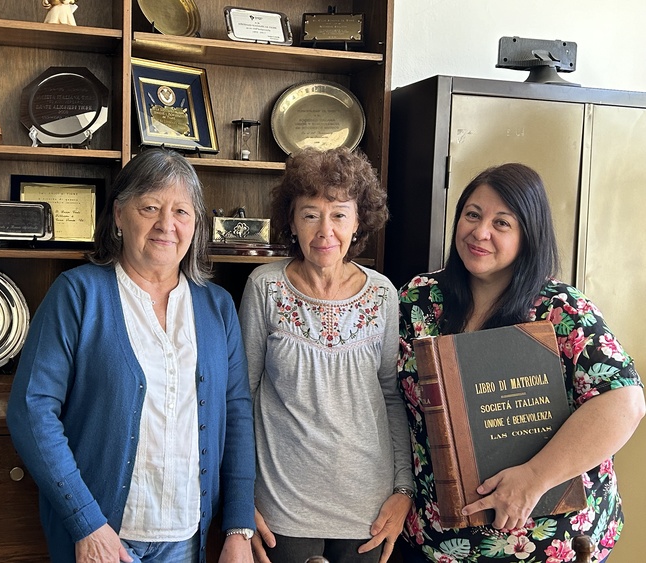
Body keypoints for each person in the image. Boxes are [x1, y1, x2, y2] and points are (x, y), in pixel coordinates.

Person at [6, 148, 256, 563]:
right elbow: (31, 410)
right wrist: (86, 523)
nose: (166, 224)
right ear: (120, 215)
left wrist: (238, 526)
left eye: (181, 211)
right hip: (104, 538)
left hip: (187, 536)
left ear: (196, 225)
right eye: (150, 207)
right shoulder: (78, 294)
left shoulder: (218, 307)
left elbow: (237, 413)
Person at [397, 163, 645, 563]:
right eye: (472, 214)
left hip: (547, 543)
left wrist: (534, 478)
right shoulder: (418, 299)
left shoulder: (562, 309)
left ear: (529, 234)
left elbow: (624, 404)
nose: (480, 232)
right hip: (435, 540)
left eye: (502, 223)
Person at [238, 147, 414, 563]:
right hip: (281, 506)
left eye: (339, 214)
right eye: (310, 214)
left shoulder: (383, 293)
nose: (325, 231)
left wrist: (403, 489)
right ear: (291, 221)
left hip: (368, 509)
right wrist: (240, 496)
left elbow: (391, 397)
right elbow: (242, 396)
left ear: (358, 221)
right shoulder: (265, 287)